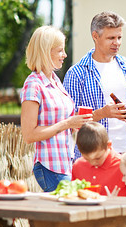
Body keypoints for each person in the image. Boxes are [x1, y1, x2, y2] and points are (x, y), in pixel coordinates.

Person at [63, 11, 126, 158]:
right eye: (111, 38)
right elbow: (69, 120)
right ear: (95, 36)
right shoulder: (77, 73)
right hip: (94, 156)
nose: (116, 42)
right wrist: (102, 113)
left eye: (119, 37)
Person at [20, 26, 92, 192]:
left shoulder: (55, 81)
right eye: (60, 50)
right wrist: (67, 123)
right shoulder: (33, 85)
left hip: (65, 163)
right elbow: (29, 135)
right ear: (46, 52)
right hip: (49, 166)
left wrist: (74, 124)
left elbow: (59, 122)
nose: (64, 55)